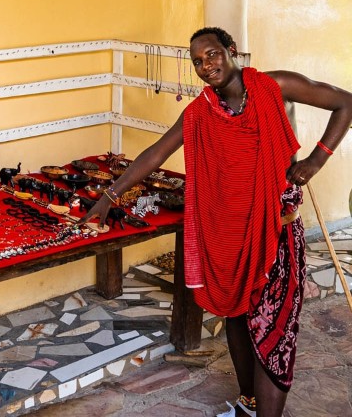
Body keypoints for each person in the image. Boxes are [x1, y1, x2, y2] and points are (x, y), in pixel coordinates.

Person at [82, 27, 352, 417]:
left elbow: (346, 103)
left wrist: (315, 160)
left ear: (232, 51)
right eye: (197, 62)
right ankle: (247, 403)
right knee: (238, 317)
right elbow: (157, 152)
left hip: (276, 232)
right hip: (231, 234)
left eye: (211, 55)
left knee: (274, 330)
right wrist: (108, 197)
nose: (206, 66)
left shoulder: (276, 86)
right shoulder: (201, 112)